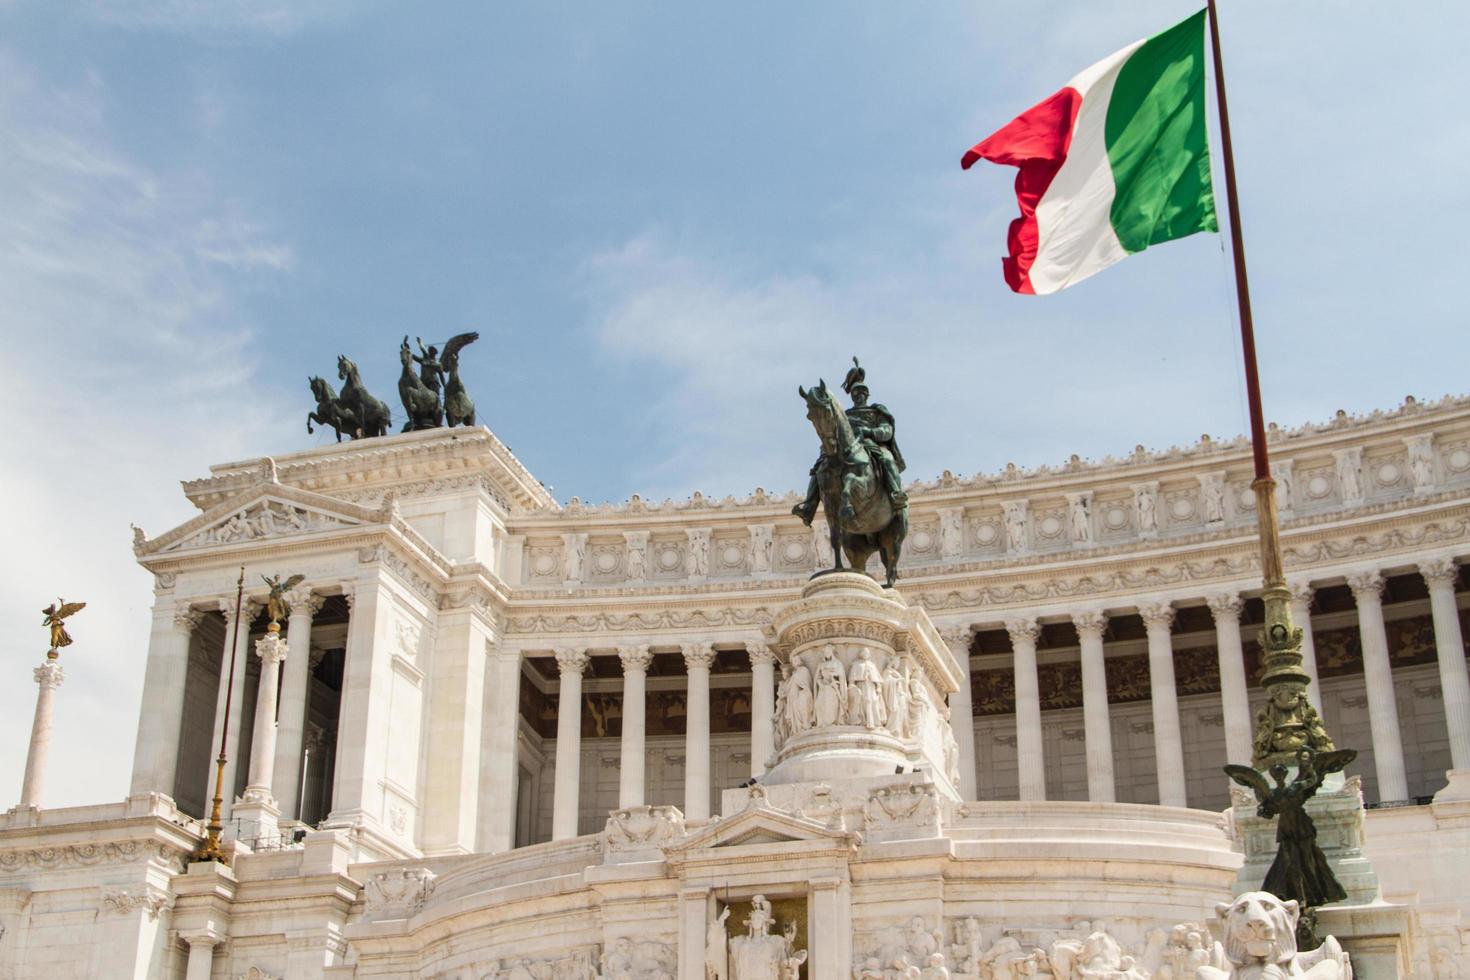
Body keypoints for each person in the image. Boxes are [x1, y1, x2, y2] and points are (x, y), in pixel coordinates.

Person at [793, 357, 906, 524]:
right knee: (820, 468)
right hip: (848, 449)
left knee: (887, 460)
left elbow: (887, 431)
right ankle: (809, 506)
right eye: (855, 393)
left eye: (861, 393)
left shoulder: (876, 411)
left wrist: (869, 431)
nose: (858, 396)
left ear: (867, 394)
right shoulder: (845, 416)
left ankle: (895, 494)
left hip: (871, 446)